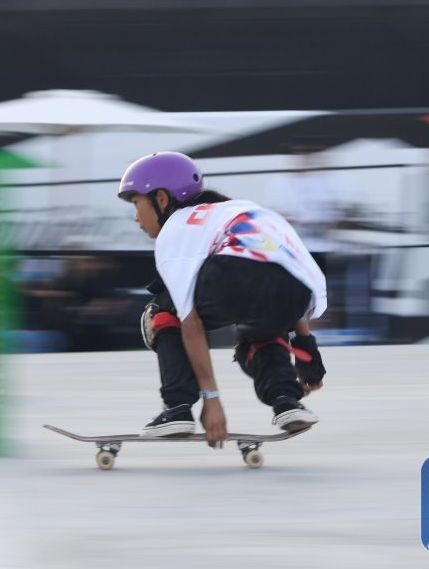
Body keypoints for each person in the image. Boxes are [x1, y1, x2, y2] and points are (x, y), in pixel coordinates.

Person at [118, 151, 328, 448]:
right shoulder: (247, 211)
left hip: (233, 278)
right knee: (259, 327)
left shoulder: (177, 229)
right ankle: (287, 401)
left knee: (160, 311)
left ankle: (177, 408)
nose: (135, 216)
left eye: (137, 202)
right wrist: (308, 357)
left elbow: (189, 324)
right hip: (298, 289)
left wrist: (211, 400)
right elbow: (283, 279)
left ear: (162, 199)